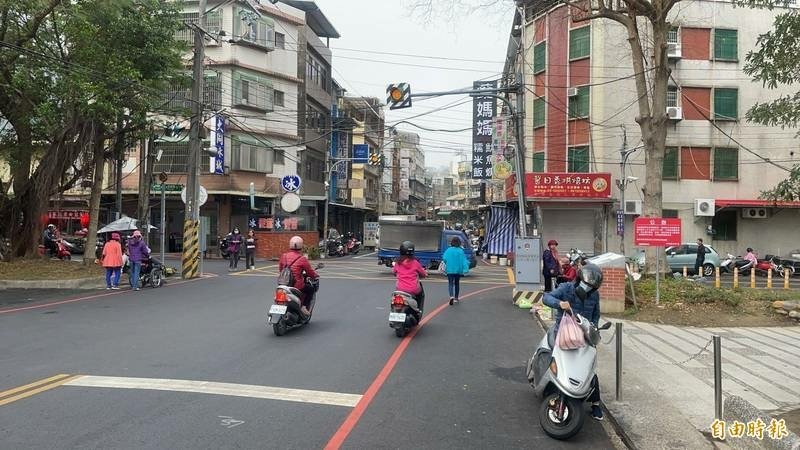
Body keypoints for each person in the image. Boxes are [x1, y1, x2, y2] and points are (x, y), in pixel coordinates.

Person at [542, 263, 605, 421]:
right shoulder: (566, 288)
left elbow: (596, 314)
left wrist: (593, 327)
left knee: (589, 369)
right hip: (563, 334)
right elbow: (546, 297)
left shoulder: (594, 296)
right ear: (579, 279)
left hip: (583, 337)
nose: (588, 287)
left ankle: (595, 403)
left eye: (592, 286)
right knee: (556, 361)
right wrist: (559, 304)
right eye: (587, 283)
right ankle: (547, 385)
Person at [278, 236, 319, 316]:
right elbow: (310, 272)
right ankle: (304, 307)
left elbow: (281, 269)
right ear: (301, 246)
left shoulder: (284, 256)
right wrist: (315, 275)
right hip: (296, 285)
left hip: (283, 283)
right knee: (310, 289)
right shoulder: (302, 258)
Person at [393, 240, 427, 314]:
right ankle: (417, 310)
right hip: (413, 290)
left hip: (399, 289)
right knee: (420, 293)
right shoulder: (415, 263)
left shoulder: (398, 263)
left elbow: (394, 272)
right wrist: (423, 274)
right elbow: (423, 274)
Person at [443, 236, 470, 305]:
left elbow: (444, 258)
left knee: (450, 283)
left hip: (449, 270)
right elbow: (464, 261)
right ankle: (456, 298)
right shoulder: (460, 251)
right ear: (459, 243)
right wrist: (466, 269)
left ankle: (451, 296)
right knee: (457, 283)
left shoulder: (448, 250)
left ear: (452, 242)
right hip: (458, 270)